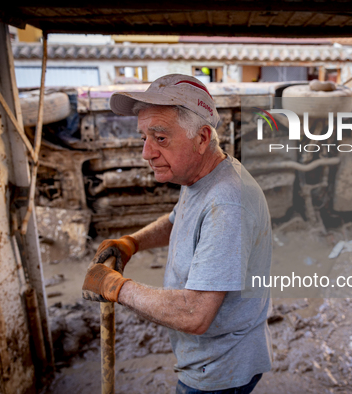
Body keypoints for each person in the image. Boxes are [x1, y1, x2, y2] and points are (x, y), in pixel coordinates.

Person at [82, 74, 273, 393]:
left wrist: (117, 287)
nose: (146, 153)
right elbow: (176, 220)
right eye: (144, 137)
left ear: (201, 138)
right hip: (210, 354)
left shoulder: (227, 203)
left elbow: (194, 314)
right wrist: (132, 243)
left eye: (160, 138)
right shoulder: (202, 175)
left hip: (218, 367)